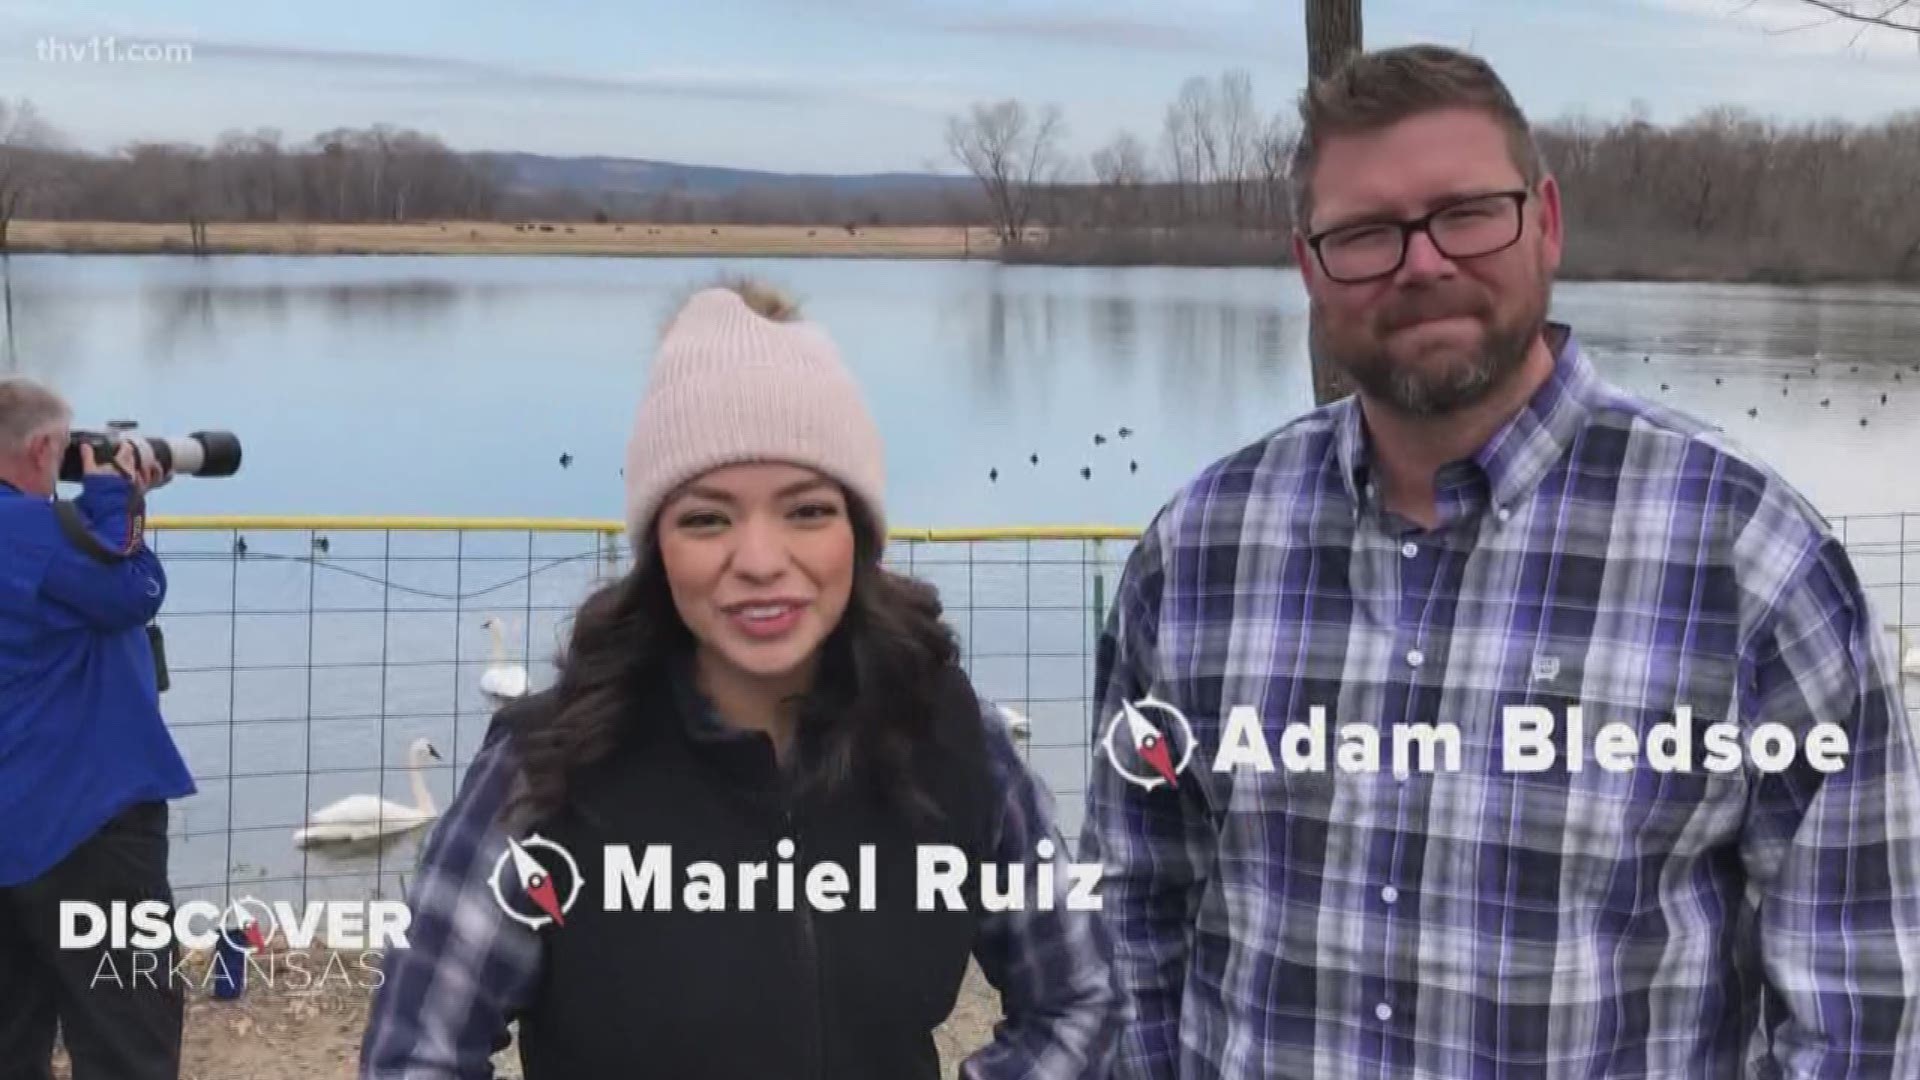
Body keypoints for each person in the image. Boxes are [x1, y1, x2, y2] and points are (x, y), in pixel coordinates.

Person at [1080, 44, 1920, 1080]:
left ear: (1546, 222)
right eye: (1365, 233)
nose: (1422, 262)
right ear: (1308, 268)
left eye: (1466, 212)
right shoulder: (1200, 550)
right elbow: (1134, 910)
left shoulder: (1749, 555)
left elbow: (1863, 998)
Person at [360, 280, 1119, 1079]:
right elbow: (417, 1053)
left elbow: (1081, 998)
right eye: (707, 518)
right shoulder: (546, 772)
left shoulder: (959, 743)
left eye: (806, 511)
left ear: (858, 535)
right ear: (658, 545)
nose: (759, 562)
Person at [0, 376, 194, 1080]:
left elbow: (52, 562)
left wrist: (107, 505)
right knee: (127, 1040)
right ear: (48, 445)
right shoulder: (36, 537)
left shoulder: (37, 539)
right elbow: (132, 588)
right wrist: (118, 499)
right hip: (91, 831)